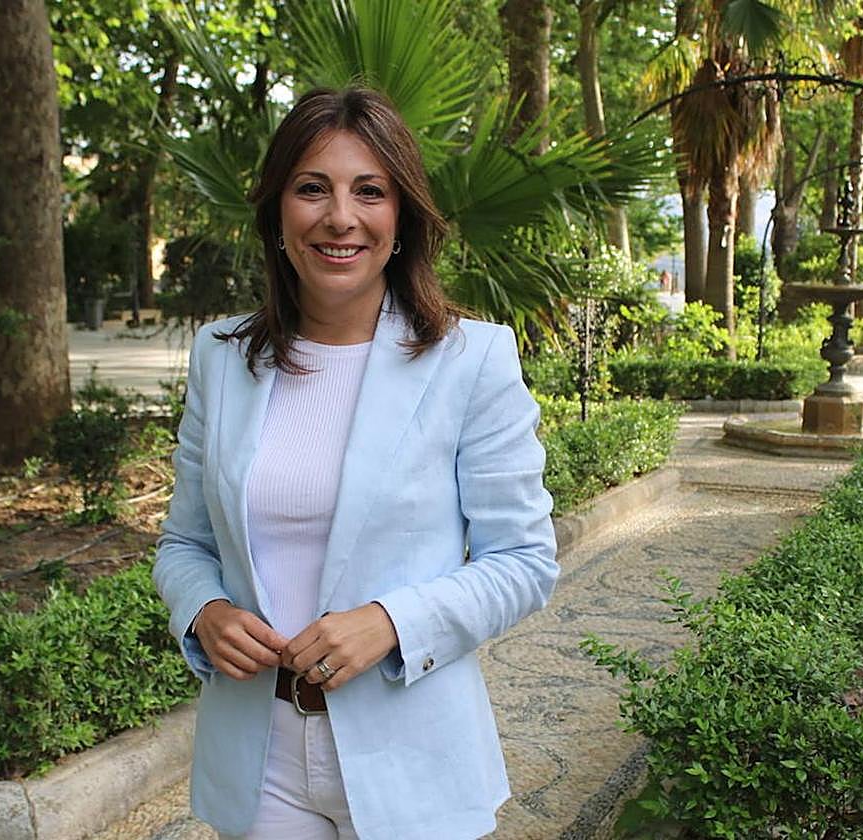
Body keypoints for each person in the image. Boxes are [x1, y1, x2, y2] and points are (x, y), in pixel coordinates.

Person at [153, 86, 559, 840]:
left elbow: (525, 561)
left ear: (401, 216)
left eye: (369, 191)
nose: (340, 217)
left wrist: (390, 623)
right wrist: (203, 612)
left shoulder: (473, 360)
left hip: (414, 756)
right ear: (279, 213)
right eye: (313, 188)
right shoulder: (220, 357)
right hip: (259, 754)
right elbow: (184, 545)